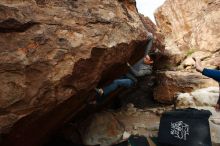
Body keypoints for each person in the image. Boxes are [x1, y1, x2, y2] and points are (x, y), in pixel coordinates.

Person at [94, 33, 154, 103]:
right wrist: (151, 37)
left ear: (150, 62)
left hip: (131, 81)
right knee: (111, 82)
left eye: (147, 59)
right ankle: (97, 98)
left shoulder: (148, 70)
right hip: (126, 75)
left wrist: (129, 66)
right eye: (146, 57)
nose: (145, 58)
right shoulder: (145, 58)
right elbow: (149, 45)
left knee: (117, 82)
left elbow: (138, 74)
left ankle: (101, 93)